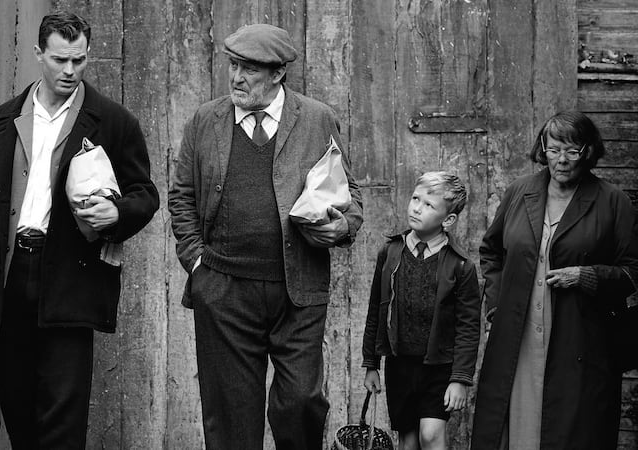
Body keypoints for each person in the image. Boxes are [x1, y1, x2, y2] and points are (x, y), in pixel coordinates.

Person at [0, 12, 159, 449]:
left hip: (71, 278)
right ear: (38, 54)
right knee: (19, 410)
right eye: (59, 60)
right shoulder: (2, 121)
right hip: (9, 279)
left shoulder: (113, 121)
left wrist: (117, 213)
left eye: (79, 60)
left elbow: (145, 193)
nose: (69, 71)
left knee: (64, 419)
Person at [168, 23, 363, 450]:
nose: (236, 78)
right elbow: (181, 196)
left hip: (298, 289)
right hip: (224, 291)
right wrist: (197, 264)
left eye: (249, 69)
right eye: (233, 65)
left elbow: (351, 196)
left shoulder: (317, 119)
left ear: (277, 74)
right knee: (232, 418)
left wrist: (342, 226)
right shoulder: (206, 120)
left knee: (301, 402)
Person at [471, 111, 638, 449]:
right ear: (543, 148)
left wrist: (587, 276)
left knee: (570, 430)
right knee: (511, 423)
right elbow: (491, 251)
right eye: (554, 149)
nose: (561, 160)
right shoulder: (520, 192)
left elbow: (632, 271)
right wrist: (497, 305)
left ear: (588, 152)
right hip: (518, 335)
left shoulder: (612, 201)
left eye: (572, 151)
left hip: (580, 338)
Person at [362, 172, 481, 450]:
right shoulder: (390, 252)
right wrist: (371, 364)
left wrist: (460, 379)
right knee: (408, 441)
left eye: (429, 205)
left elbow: (468, 327)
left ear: (448, 220)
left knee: (431, 434)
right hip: (399, 365)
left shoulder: (460, 266)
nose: (417, 208)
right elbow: (375, 310)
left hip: (439, 368)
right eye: (416, 199)